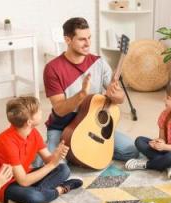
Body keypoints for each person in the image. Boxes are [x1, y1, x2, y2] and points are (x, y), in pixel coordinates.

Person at [34, 17, 138, 168]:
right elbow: (59, 109)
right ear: (68, 40)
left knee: (131, 151)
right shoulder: (53, 68)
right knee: (48, 167)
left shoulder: (99, 63)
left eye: (89, 38)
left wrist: (116, 95)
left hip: (92, 127)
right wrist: (81, 95)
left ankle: (83, 153)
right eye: (82, 39)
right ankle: (71, 152)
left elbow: (120, 97)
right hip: (64, 128)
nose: (88, 43)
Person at [0, 96, 83, 203]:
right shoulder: (6, 142)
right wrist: (52, 164)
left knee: (64, 169)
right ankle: (61, 189)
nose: (41, 112)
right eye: (38, 111)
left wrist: (56, 155)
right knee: (34, 197)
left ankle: (38, 194)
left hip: (26, 175)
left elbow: (48, 160)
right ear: (29, 122)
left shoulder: (33, 132)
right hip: (6, 185)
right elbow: (23, 181)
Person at [125, 83, 171, 179]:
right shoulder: (165, 114)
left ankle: (147, 165)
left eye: (168, 98)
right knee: (139, 141)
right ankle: (169, 165)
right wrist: (158, 142)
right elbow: (162, 138)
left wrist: (165, 147)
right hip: (166, 149)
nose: (164, 99)